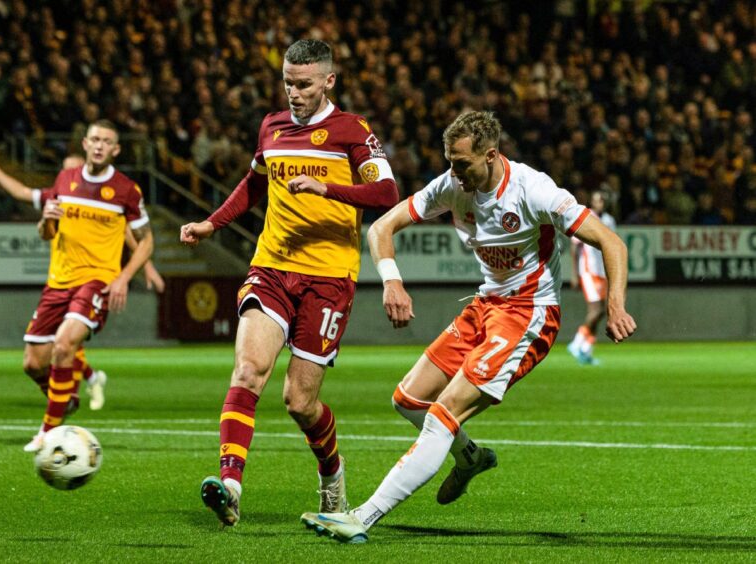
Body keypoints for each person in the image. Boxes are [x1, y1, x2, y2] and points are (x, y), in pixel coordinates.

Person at [301, 111, 636, 543]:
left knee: (442, 415)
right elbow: (382, 228)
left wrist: (615, 304)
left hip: (528, 314)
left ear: (492, 155)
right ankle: (471, 458)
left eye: (462, 164)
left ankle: (361, 517)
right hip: (485, 307)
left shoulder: (533, 190)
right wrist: (392, 282)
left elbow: (611, 241)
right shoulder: (450, 185)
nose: (454, 174)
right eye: (449, 162)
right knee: (407, 400)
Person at [180, 39, 399, 526]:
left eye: (303, 84)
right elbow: (255, 182)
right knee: (248, 370)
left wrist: (329, 188)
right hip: (272, 266)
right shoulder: (272, 126)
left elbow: (386, 193)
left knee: (299, 402)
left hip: (329, 278)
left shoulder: (352, 131)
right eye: (287, 83)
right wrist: (212, 224)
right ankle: (231, 484)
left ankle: (332, 469)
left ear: (328, 81)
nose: (294, 93)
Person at [0, 119, 157, 451]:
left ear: (115, 150)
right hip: (58, 282)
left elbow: (146, 241)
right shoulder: (65, 180)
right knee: (33, 363)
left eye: (106, 141)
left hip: (97, 281)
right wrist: (46, 219)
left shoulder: (126, 190)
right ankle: (66, 399)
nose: (100, 145)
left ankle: (47, 432)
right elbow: (46, 232)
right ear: (85, 144)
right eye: (94, 139)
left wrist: (123, 277)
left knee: (64, 344)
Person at [567, 190, 617, 365]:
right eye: (597, 200)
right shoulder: (587, 217)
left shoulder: (609, 220)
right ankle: (577, 341)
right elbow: (574, 247)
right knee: (596, 310)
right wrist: (574, 273)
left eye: (602, 200)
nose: (600, 203)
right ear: (592, 202)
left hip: (603, 272)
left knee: (601, 311)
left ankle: (586, 350)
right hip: (589, 270)